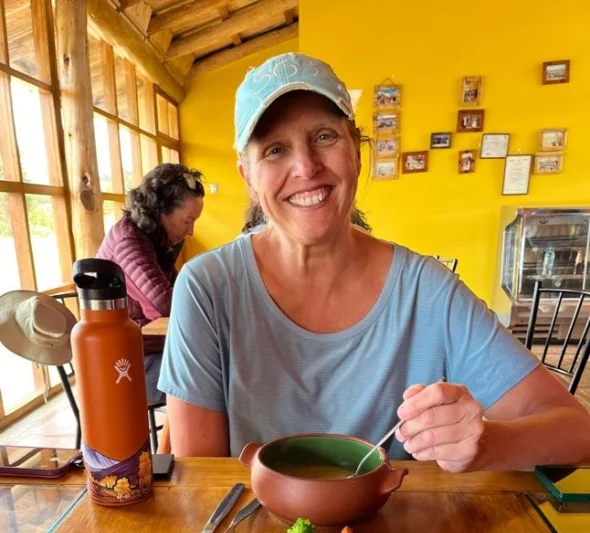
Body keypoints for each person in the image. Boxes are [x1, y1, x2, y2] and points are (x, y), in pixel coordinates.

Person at [158, 52, 590, 471]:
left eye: (325, 136)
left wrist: (486, 444)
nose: (306, 166)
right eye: (274, 150)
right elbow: (200, 480)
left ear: (357, 152)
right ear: (248, 178)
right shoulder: (208, 287)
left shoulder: (427, 291)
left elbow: (579, 433)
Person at [97, 163, 204, 403]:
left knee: (221, 362)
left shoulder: (158, 238)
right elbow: (165, 306)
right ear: (160, 210)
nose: (191, 231)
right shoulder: (129, 242)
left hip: (150, 349)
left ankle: (181, 439)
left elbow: (181, 291)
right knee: (215, 375)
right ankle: (183, 440)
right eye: (187, 221)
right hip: (122, 365)